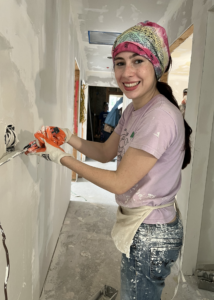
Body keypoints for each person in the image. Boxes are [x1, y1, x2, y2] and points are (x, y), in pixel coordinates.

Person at [30, 21, 192, 300]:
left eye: (137, 61)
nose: (126, 72)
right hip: (141, 224)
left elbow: (119, 183)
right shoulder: (133, 109)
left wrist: (61, 158)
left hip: (151, 231)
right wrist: (68, 136)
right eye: (119, 62)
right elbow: (106, 153)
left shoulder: (159, 117)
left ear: (156, 65)